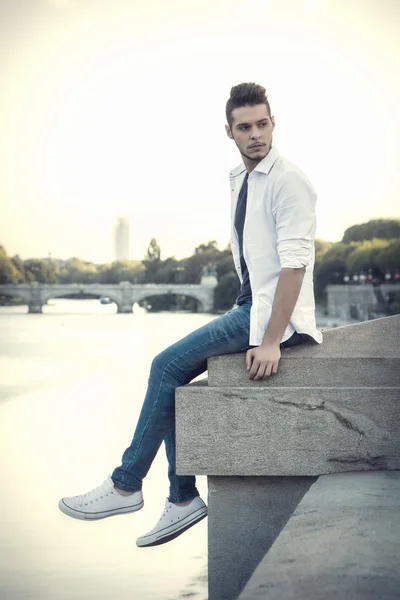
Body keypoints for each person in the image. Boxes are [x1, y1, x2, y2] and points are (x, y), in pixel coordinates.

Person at [58, 82, 322, 547]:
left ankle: (125, 485)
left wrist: (270, 339)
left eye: (263, 124)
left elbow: (295, 265)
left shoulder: (288, 180)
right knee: (178, 390)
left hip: (271, 318)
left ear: (273, 123)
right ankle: (182, 500)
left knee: (165, 365)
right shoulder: (243, 179)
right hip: (251, 307)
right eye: (245, 127)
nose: (256, 134)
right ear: (230, 132)